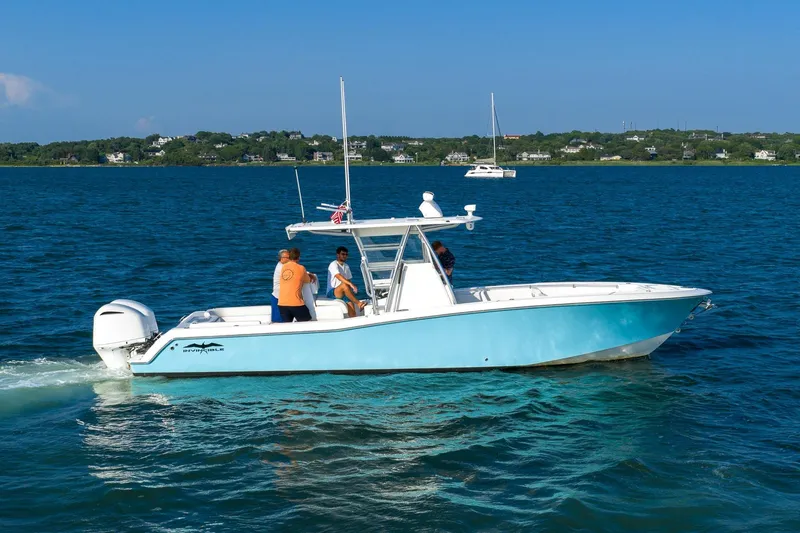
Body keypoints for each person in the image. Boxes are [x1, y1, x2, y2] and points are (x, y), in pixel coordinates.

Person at [278, 248, 317, 322]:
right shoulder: (301, 268)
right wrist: (311, 275)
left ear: (289, 257)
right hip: (295, 303)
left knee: (287, 326)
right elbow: (307, 280)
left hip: (282, 304)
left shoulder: (283, 267)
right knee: (308, 322)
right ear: (298, 257)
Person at [326, 246, 365, 317]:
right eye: (343, 254)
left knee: (353, 313)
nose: (345, 256)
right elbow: (338, 276)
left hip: (344, 292)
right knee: (344, 285)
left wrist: (351, 288)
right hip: (332, 292)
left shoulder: (346, 266)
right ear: (338, 255)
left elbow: (348, 280)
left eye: (346, 254)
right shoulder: (333, 264)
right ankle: (359, 303)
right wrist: (350, 284)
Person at [271, 249, 290, 323]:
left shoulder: (283, 265)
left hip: (280, 296)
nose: (289, 259)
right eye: (287, 257)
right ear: (281, 258)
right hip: (278, 297)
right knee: (278, 322)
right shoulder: (282, 268)